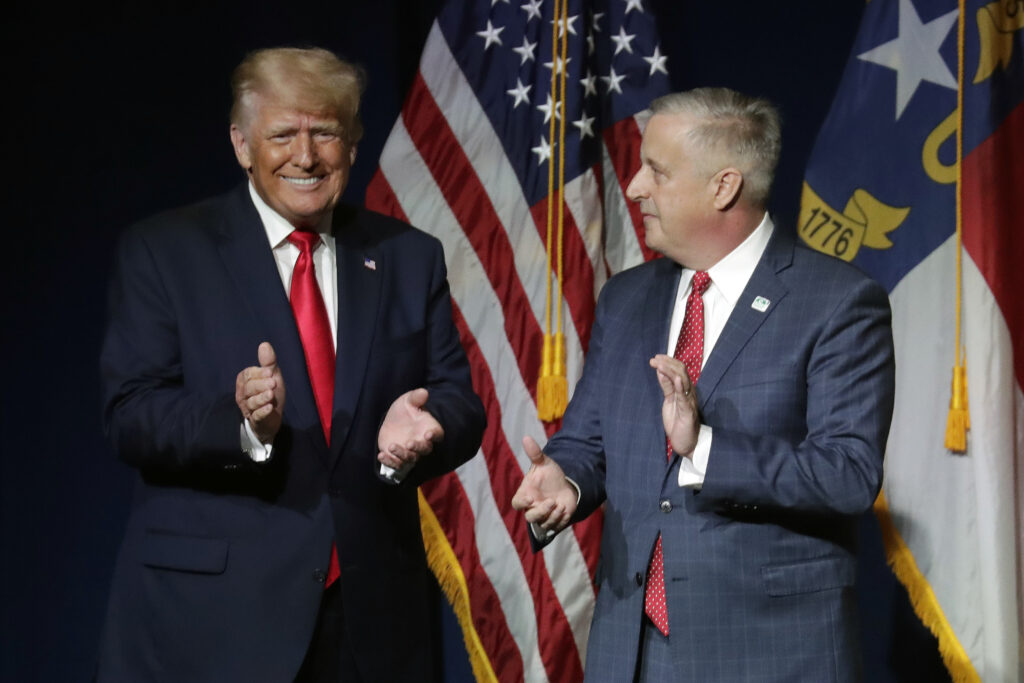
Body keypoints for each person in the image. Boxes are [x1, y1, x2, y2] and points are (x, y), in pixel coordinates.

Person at [97, 47, 484, 681]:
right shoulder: (165, 252)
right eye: (282, 134)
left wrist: (431, 426)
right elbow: (130, 413)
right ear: (242, 144)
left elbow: (459, 401)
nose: (305, 156)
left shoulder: (408, 256)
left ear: (353, 143)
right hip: (214, 622)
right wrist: (242, 424)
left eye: (325, 132)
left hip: (371, 624)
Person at [512, 88, 895, 681]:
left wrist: (704, 448)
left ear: (724, 186)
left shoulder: (839, 303)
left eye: (656, 172)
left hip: (770, 653)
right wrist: (565, 479)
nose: (635, 186)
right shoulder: (627, 297)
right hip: (632, 649)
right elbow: (589, 441)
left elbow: (847, 475)